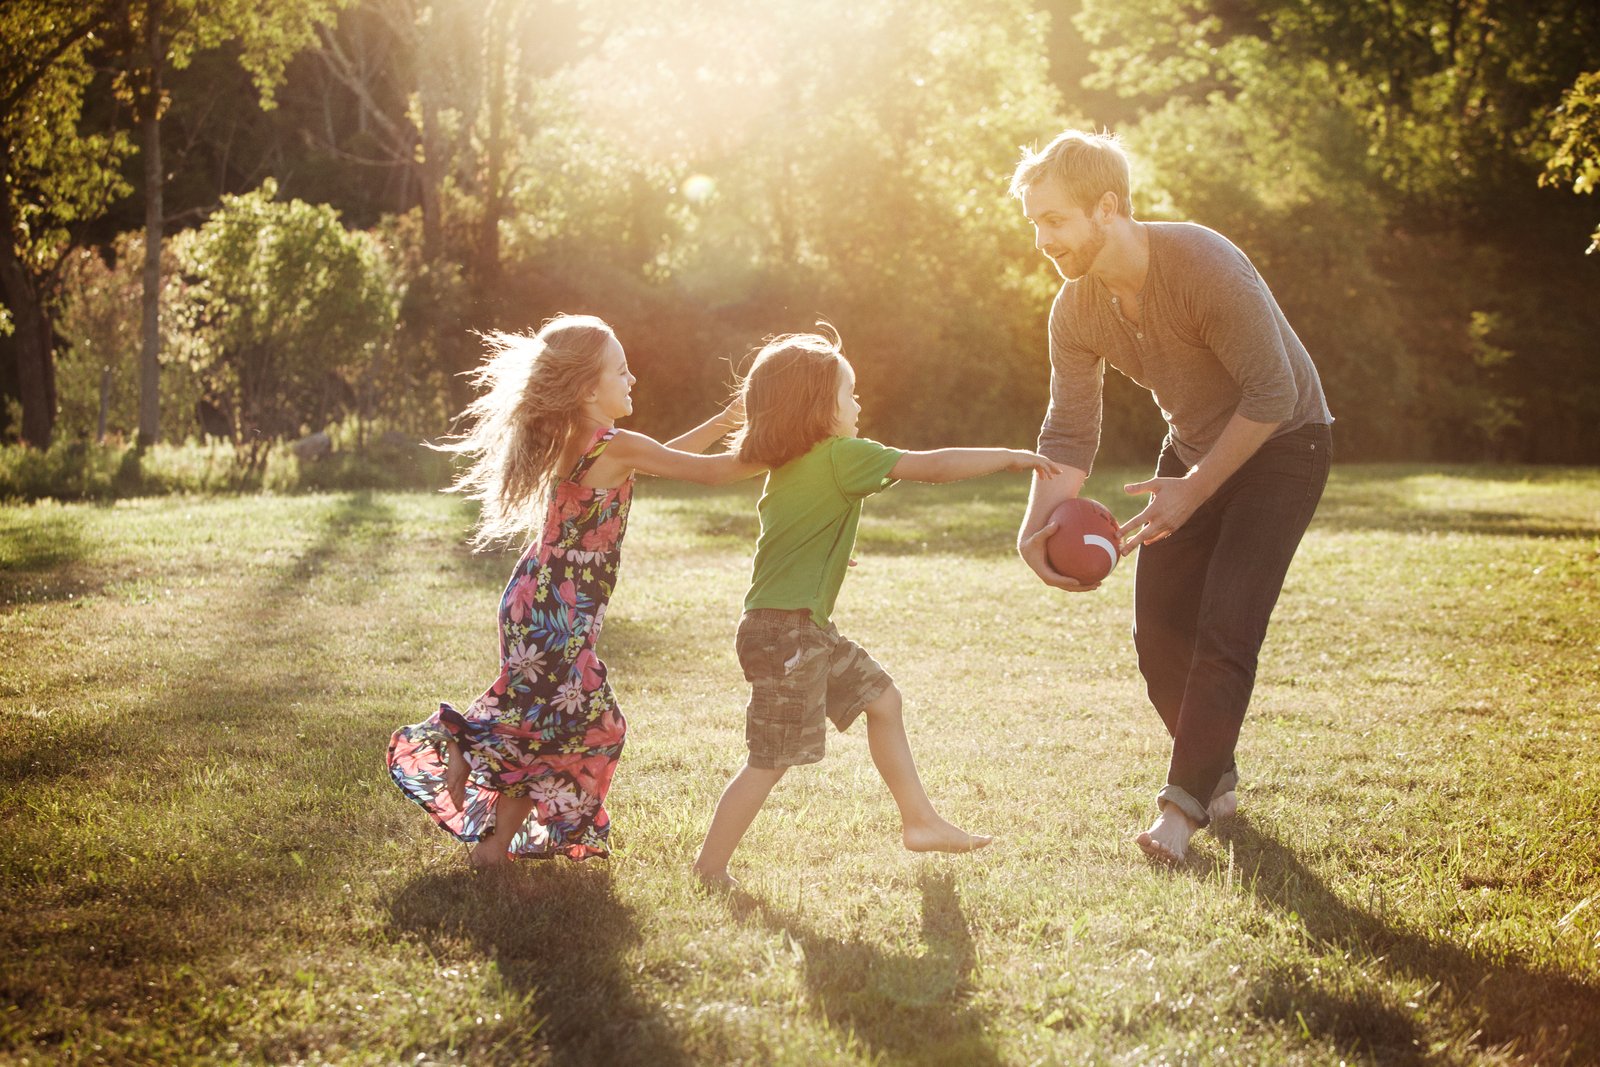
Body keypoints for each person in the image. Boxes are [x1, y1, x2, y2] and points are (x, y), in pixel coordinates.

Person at [1008, 130, 1333, 864]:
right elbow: (1068, 427)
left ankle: (1178, 815)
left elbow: (1273, 393)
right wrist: (1033, 529)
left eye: (1054, 220)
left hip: (1286, 446)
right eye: (1034, 223)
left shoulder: (1201, 264)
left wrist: (1193, 492)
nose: (1042, 240)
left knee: (1225, 628)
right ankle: (1212, 773)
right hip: (1189, 448)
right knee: (1158, 640)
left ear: (1107, 207)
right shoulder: (1076, 309)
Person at [691, 328, 1065, 889]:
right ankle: (708, 868)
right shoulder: (843, 455)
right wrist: (1009, 457)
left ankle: (920, 823)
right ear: (819, 405)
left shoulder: (789, 459)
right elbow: (931, 466)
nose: (859, 402)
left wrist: (831, 558)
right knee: (770, 759)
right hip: (787, 634)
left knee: (882, 700)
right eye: (850, 392)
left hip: (795, 628)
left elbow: (796, 531)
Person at [387, 314, 755, 869]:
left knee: (548, 729)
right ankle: (460, 744)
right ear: (588, 388)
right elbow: (710, 473)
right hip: (557, 611)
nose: (633, 381)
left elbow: (663, 457)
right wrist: (794, 444)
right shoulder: (617, 445)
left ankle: (491, 848)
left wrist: (727, 419)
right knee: (595, 727)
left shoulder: (586, 440)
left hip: (536, 600)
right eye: (622, 371)